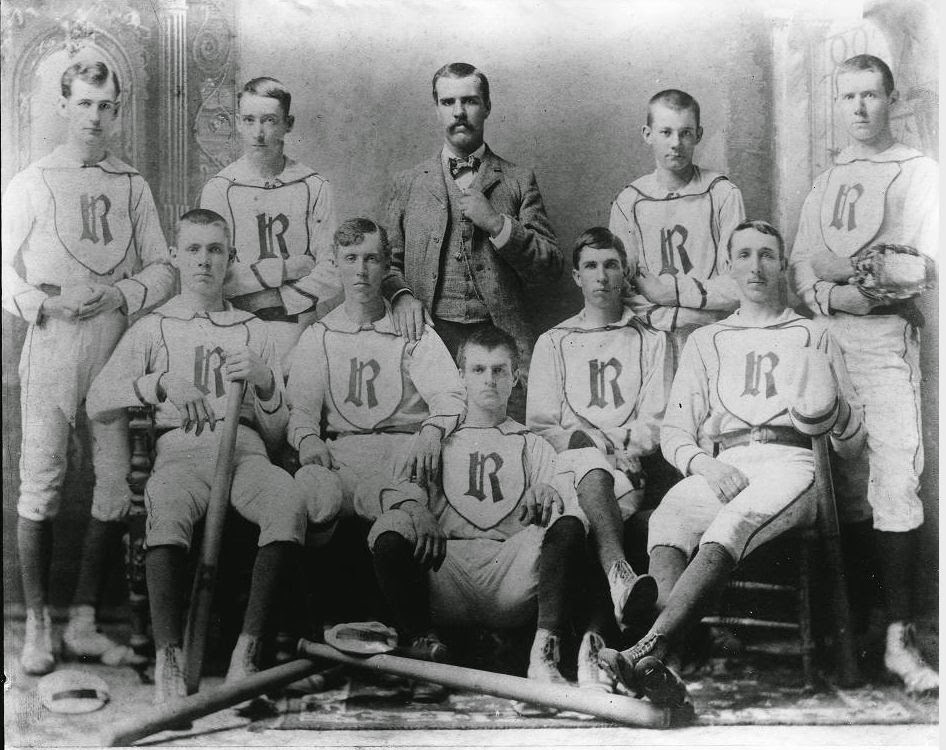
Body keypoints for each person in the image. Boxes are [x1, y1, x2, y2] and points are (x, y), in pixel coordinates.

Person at [600, 220, 865, 708]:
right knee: (668, 517)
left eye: (767, 254)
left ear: (782, 265)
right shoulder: (708, 340)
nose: (756, 265)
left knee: (733, 521)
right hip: (728, 461)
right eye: (744, 255)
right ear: (729, 265)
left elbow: (852, 441)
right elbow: (676, 431)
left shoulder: (813, 333)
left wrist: (832, 411)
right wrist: (706, 464)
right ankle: (666, 659)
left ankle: (650, 647)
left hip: (793, 463)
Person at [86, 209, 306, 702]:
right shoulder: (154, 327)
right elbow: (98, 399)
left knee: (287, 501)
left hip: (245, 455)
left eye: (215, 249)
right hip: (180, 456)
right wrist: (157, 382)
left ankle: (246, 653)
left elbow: (277, 433)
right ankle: (169, 656)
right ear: (175, 256)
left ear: (231, 258)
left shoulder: (254, 328)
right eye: (193, 249)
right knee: (161, 499)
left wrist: (266, 382)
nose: (204, 260)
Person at [1, 60, 174, 675]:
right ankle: (39, 626)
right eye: (84, 105)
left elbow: (163, 267)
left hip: (110, 340)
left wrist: (122, 294)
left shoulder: (133, 185)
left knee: (111, 484)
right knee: (41, 480)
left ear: (117, 110)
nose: (95, 118)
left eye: (106, 106)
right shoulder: (31, 181)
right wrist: (45, 302)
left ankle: (82, 618)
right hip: (51, 338)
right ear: (64, 106)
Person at [789, 54, 938, 695]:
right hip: (829, 339)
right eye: (848, 96)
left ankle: (899, 637)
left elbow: (922, 270)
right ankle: (852, 626)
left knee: (895, 475)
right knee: (839, 483)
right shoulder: (828, 179)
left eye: (870, 95)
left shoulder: (919, 171)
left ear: (890, 98)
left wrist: (843, 273)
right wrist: (831, 294)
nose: (859, 108)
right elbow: (800, 268)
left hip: (887, 343)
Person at [368, 326, 612, 704]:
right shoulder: (436, 440)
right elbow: (400, 490)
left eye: (500, 370)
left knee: (569, 525)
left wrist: (548, 494)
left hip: (511, 570)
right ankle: (422, 646)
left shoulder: (532, 443)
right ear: (461, 377)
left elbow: (568, 504)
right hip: (445, 567)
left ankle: (543, 653)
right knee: (390, 532)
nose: (490, 380)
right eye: (479, 370)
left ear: (515, 377)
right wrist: (417, 510)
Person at [383, 62, 562, 420]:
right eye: (449, 102)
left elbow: (550, 268)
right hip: (430, 338)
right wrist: (401, 296)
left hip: (502, 343)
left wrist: (499, 226)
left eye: (470, 101)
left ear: (488, 107)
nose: (459, 112)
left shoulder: (517, 180)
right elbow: (386, 263)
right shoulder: (408, 183)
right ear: (437, 108)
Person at [528, 228, 672, 633]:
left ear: (624, 273)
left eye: (611, 265)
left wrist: (607, 446)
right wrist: (593, 444)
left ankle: (563, 640)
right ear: (576, 276)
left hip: (627, 473)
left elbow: (655, 424)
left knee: (577, 521)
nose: (602, 276)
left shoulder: (650, 340)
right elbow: (540, 427)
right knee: (580, 506)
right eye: (591, 266)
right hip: (567, 470)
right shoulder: (554, 342)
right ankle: (611, 603)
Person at [287, 218, 465, 537]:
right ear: (336, 265)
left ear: (386, 268)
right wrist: (308, 438)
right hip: (345, 455)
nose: (361, 270)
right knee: (311, 494)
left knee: (403, 522)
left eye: (371, 259)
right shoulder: (319, 335)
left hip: (404, 455)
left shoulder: (412, 328)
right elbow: (302, 409)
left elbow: (449, 395)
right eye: (351, 259)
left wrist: (431, 433)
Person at [200, 76, 341, 368]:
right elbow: (215, 276)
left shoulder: (314, 187)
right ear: (238, 122)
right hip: (235, 329)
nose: (259, 133)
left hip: (300, 328)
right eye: (249, 120)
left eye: (269, 121)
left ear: (288, 124)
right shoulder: (220, 188)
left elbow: (332, 271)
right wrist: (286, 269)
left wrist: (272, 298)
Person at [609, 89, 745, 364]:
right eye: (666, 132)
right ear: (648, 134)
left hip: (713, 336)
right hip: (649, 339)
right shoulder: (629, 201)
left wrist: (669, 293)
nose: (676, 143)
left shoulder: (723, 194)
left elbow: (736, 284)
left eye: (685, 133)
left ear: (699, 134)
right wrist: (679, 315)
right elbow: (625, 289)